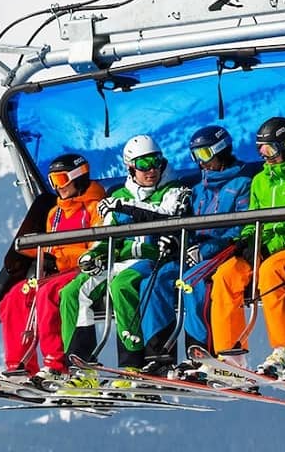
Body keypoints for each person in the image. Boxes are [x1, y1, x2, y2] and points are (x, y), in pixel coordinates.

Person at [209, 117, 285, 374]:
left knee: (271, 272)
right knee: (226, 274)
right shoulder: (260, 181)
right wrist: (247, 241)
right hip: (264, 248)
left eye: (270, 149)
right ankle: (230, 356)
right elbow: (251, 219)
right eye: (260, 150)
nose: (265, 156)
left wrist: (273, 244)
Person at [60, 134, 190, 371]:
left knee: (122, 285)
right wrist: (94, 255)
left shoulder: (175, 190)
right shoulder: (119, 197)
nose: (151, 169)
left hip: (151, 259)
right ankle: (81, 362)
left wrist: (126, 213)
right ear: (130, 168)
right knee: (72, 291)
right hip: (118, 260)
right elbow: (107, 234)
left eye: (156, 161)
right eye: (143, 164)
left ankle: (131, 362)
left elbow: (164, 215)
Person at [138, 125, 252, 376]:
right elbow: (187, 228)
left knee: (191, 281)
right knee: (153, 281)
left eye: (204, 154)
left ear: (221, 150)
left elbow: (242, 227)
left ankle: (201, 352)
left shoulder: (242, 184)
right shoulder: (198, 190)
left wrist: (208, 249)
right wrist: (178, 243)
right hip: (193, 254)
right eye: (195, 156)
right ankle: (159, 355)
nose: (201, 162)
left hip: (224, 253)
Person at [0, 152, 106, 382]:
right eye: (53, 182)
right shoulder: (54, 214)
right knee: (15, 296)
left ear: (78, 177)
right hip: (59, 271)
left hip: (82, 270)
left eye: (61, 180)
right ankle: (20, 366)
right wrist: (46, 255)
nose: (58, 187)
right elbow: (52, 245)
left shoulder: (95, 208)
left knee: (48, 294)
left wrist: (65, 255)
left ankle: (56, 364)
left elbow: (97, 246)